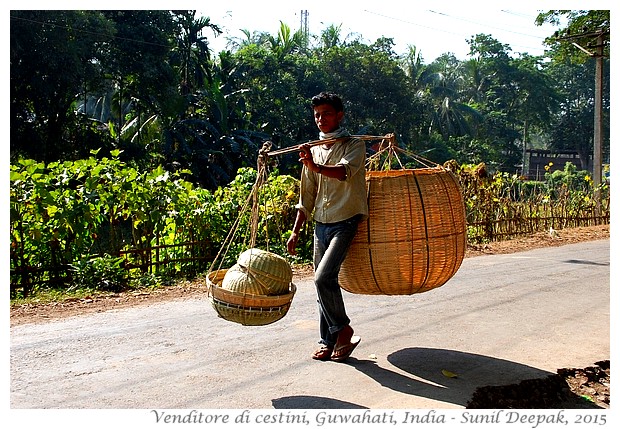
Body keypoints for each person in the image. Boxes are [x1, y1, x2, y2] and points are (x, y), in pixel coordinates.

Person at [286, 91, 368, 362]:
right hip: (321, 223)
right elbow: (306, 196)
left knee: (323, 277)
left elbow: (344, 173)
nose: (321, 119)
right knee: (322, 282)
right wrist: (296, 231)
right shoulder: (312, 151)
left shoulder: (354, 145)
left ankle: (344, 330)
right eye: (317, 115)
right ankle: (328, 339)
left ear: (340, 115)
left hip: (346, 219)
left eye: (327, 114)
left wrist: (315, 165)